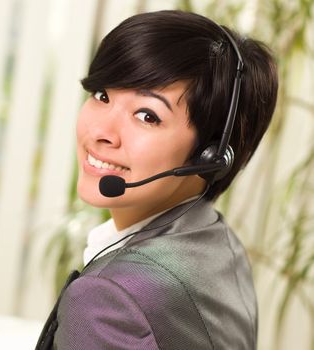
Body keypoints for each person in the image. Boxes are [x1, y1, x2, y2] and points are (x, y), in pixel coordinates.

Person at [35, 10, 278, 350]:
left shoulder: (107, 301)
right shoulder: (220, 246)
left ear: (210, 155)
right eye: (102, 95)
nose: (101, 133)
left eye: (147, 116)